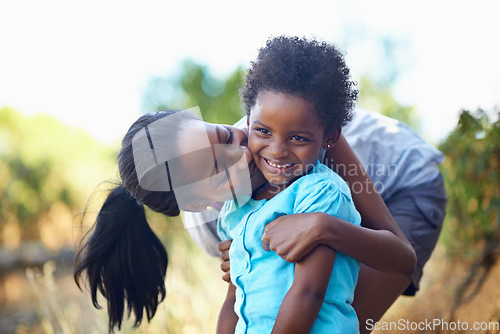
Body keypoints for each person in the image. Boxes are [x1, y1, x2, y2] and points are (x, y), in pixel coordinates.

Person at [185, 37, 447, 333]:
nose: (273, 150)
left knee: (337, 319)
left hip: (410, 183)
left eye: (229, 143)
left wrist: (324, 226)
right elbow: (243, 293)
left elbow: (402, 256)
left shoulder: (302, 140)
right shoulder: (226, 207)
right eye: (220, 181)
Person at [215, 34, 364, 333]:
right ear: (247, 121)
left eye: (297, 138)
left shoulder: (322, 194)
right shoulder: (237, 205)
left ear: (330, 137)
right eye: (263, 131)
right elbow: (234, 298)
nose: (277, 150)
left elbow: (308, 294)